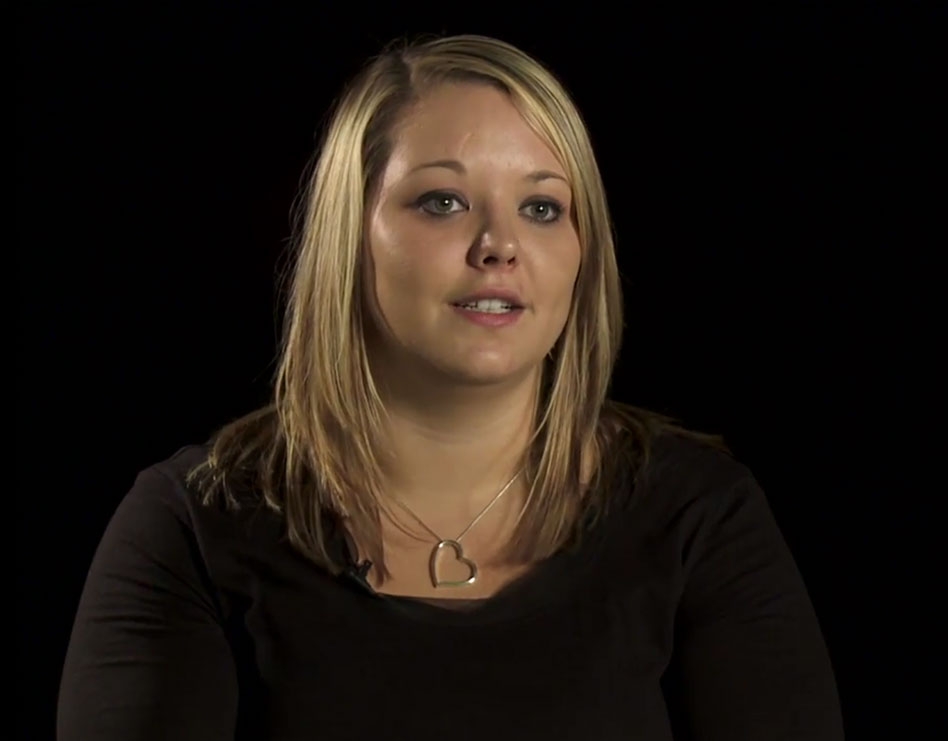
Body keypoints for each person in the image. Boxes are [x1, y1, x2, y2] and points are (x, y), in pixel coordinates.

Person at [55, 33, 844, 740]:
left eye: (542, 207)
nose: (500, 244)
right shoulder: (190, 526)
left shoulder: (700, 516)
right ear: (350, 236)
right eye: (443, 201)